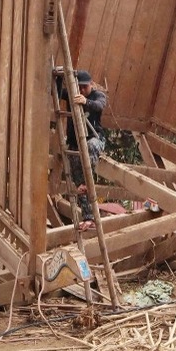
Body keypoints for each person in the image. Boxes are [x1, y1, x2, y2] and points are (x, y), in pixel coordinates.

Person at [65, 69, 107, 231]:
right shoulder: (71, 94)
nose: (82, 90)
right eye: (79, 87)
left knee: (91, 147)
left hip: (94, 138)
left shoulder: (97, 95)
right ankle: (88, 218)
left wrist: (85, 102)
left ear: (90, 84)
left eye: (85, 87)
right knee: (79, 184)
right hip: (75, 145)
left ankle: (87, 181)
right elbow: (55, 87)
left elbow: (99, 105)